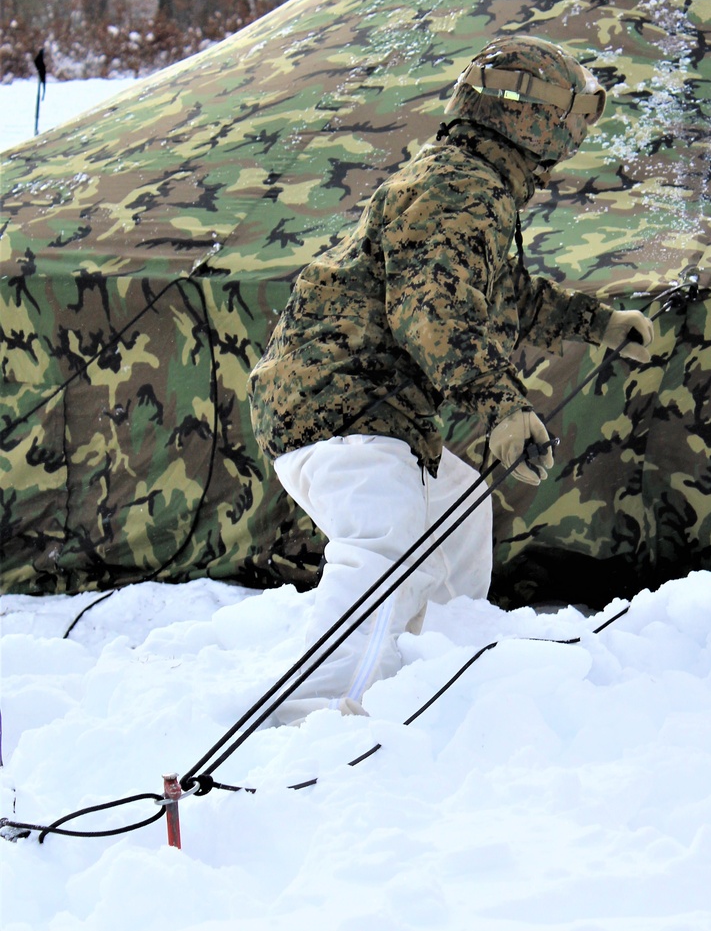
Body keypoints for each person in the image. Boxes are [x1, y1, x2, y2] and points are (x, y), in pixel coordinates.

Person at [247, 35, 653, 720]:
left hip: (368, 410)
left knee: (458, 514)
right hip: (336, 404)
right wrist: (499, 408)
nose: (570, 143)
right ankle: (309, 712)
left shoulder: (471, 185)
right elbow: (432, 311)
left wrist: (599, 325)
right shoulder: (455, 189)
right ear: (528, 119)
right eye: (568, 121)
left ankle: (431, 677)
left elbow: (502, 294)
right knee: (387, 541)